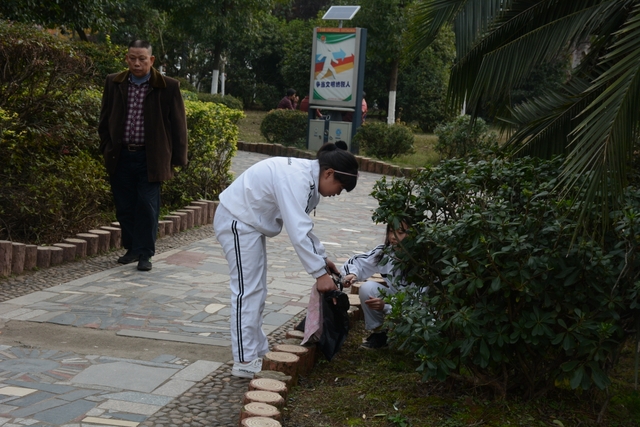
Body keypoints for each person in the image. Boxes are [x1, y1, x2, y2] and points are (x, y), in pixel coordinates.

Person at [214, 143, 359, 378]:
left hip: (248, 224)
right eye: (340, 187)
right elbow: (298, 230)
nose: (337, 193)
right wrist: (320, 274)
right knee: (247, 290)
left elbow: (303, 227)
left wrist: (322, 260)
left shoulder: (307, 178)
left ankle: (256, 351)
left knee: (256, 290)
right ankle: (244, 360)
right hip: (237, 221)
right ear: (329, 173)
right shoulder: (297, 178)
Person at [98, 40, 188, 272]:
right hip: (120, 156)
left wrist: (178, 159)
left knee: (147, 206)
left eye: (142, 59)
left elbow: (179, 126)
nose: (136, 63)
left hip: (151, 159)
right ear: (126, 58)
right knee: (124, 206)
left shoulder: (168, 86)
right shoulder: (114, 82)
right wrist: (107, 147)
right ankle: (132, 248)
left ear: (151, 60)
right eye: (132, 58)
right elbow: (104, 119)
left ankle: (145, 253)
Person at [340, 222, 413, 349]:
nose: (393, 237)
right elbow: (358, 262)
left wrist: (386, 306)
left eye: (400, 232)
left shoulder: (422, 261)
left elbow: (421, 303)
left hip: (419, 309)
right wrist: (352, 274)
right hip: (397, 300)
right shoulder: (385, 252)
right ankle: (379, 334)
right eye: (391, 231)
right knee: (367, 288)